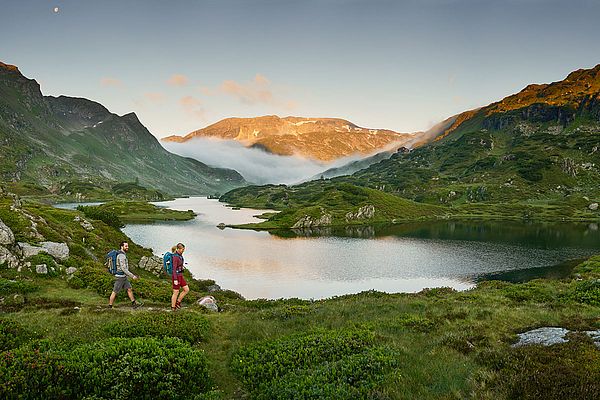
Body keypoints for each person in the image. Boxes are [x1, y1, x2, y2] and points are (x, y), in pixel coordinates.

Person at [108, 241, 143, 309]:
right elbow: (123, 268)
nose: (127, 247)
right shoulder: (121, 256)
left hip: (124, 277)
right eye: (126, 246)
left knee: (129, 289)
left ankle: (134, 304)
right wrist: (132, 276)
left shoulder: (122, 254)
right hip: (120, 277)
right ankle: (110, 306)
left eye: (127, 246)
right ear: (122, 247)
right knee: (115, 291)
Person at [171, 242, 189, 311]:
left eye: (183, 249)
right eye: (182, 249)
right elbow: (174, 269)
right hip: (176, 277)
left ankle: (178, 302)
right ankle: (173, 307)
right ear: (178, 249)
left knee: (186, 289)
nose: (183, 251)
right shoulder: (175, 257)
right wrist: (175, 279)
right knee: (176, 292)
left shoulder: (180, 255)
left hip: (180, 276)